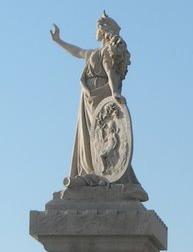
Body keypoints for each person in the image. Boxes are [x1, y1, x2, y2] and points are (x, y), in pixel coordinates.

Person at [50, 12, 133, 184]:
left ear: (104, 31)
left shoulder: (105, 52)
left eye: (96, 28)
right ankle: (89, 168)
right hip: (88, 97)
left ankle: (103, 170)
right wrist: (59, 41)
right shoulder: (92, 53)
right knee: (88, 135)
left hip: (100, 95)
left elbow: (110, 72)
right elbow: (77, 51)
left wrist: (115, 92)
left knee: (102, 131)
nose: (94, 32)